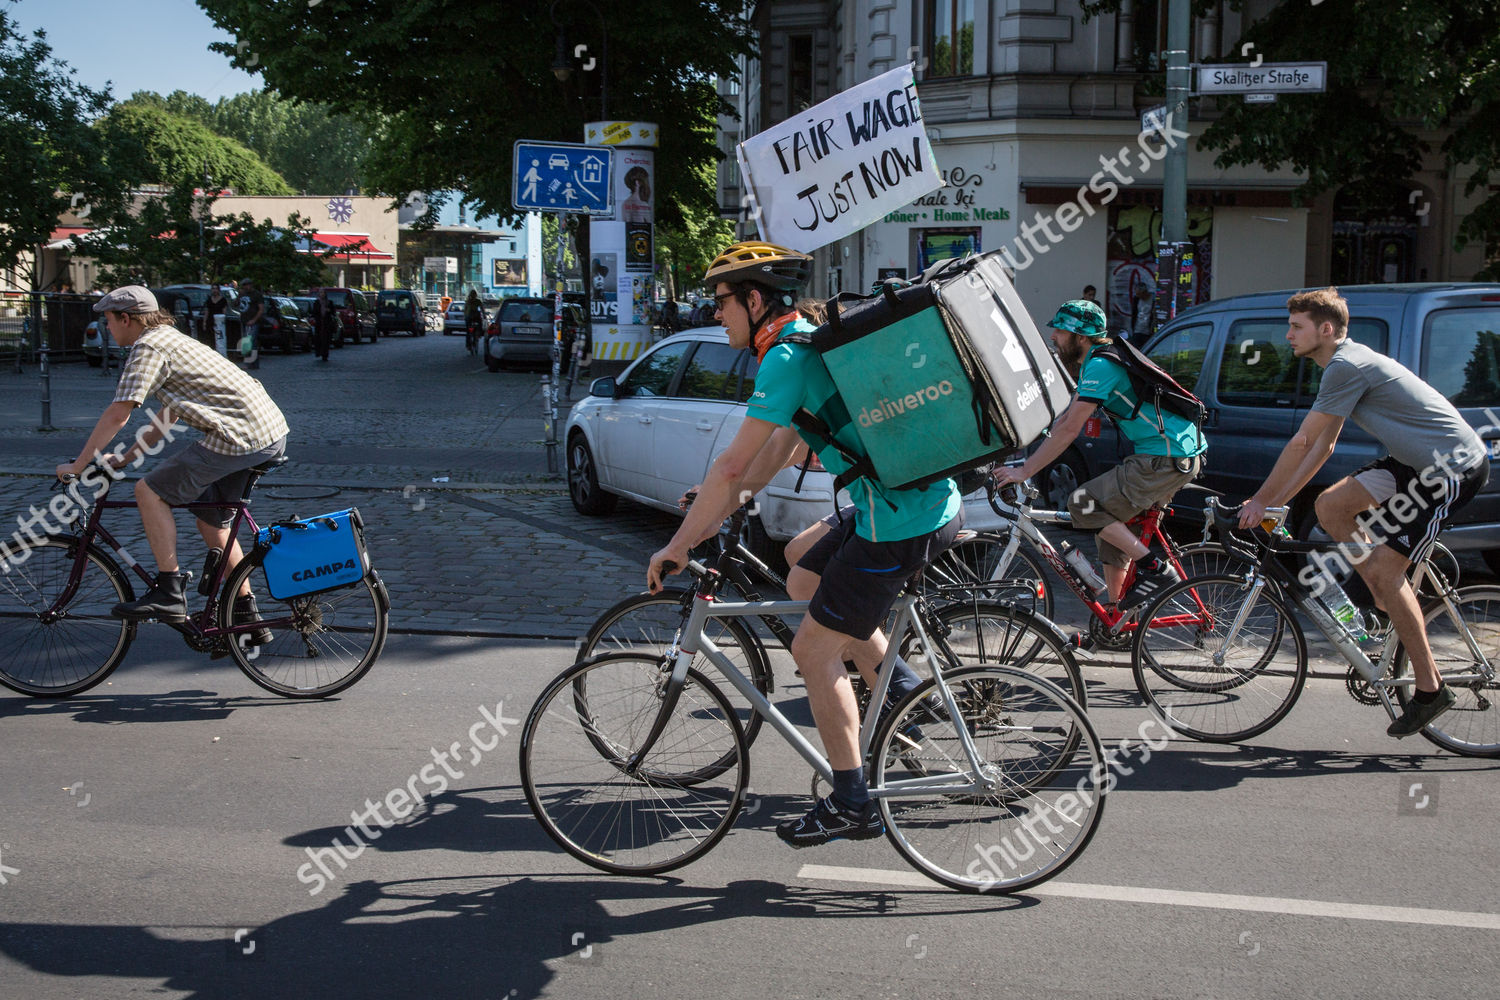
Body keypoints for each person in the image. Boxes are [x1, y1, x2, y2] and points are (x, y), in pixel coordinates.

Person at [647, 242, 962, 848]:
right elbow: (778, 452)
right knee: (802, 576)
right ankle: (899, 690)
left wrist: (679, 545)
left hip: (899, 518)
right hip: (909, 503)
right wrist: (717, 509)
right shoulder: (802, 342)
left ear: (754, 298)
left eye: (722, 302)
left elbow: (735, 465)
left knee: (812, 652)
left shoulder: (786, 357)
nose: (716, 314)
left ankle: (852, 802)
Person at [1237, 287, 1488, 737]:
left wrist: (1262, 501)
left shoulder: (1345, 365)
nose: (1288, 334)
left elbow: (1304, 443)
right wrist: (1277, 500)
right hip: (1413, 464)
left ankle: (1431, 690)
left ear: (1326, 329)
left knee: (1387, 576)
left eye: (1297, 326)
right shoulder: (1342, 365)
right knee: (1331, 507)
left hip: (1449, 469)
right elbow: (1322, 445)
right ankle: (1381, 592)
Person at [55, 285, 289, 638]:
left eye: (108, 320)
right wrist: (128, 456)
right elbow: (170, 414)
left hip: (241, 436)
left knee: (149, 492)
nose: (107, 328)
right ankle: (247, 615)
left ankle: (169, 591)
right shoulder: (169, 339)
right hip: (265, 431)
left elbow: (120, 412)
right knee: (212, 521)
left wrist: (79, 464)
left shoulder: (148, 347)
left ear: (126, 318)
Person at [993, 299, 1206, 611]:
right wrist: (1021, 439)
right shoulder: (1099, 359)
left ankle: (1156, 570)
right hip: (1166, 455)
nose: (1053, 336)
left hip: (1165, 458)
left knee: (1082, 503)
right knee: (1112, 536)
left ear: (1081, 337)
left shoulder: (1102, 366)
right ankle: (1118, 617)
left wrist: (1025, 470)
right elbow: (1064, 420)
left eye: (1060, 331)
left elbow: (1070, 431)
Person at [238, 279, 264, 370]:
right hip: (244, 321)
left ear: (251, 285)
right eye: (244, 285)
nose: (245, 287)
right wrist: (239, 295)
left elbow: (261, 309)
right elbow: (235, 304)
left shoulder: (256, 295)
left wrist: (254, 320)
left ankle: (250, 363)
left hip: (253, 322)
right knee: (246, 343)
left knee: (251, 343)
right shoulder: (242, 294)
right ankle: (252, 364)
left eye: (247, 285)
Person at [310, 287, 337, 361]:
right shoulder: (316, 302)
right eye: (320, 292)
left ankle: (325, 354)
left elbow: (333, 312)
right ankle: (319, 352)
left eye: (323, 292)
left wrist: (329, 310)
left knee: (326, 340)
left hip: (327, 324)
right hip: (319, 324)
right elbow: (314, 312)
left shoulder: (329, 302)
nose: (322, 294)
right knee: (318, 339)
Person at [200, 283, 228, 350]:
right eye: (213, 288)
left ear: (218, 290)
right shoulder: (209, 300)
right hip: (210, 322)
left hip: (219, 323)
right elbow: (206, 312)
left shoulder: (223, 300)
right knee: (210, 340)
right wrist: (204, 322)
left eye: (216, 288)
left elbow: (224, 312)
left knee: (219, 340)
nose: (215, 290)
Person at [463, 290, 484, 357]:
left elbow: (465, 310)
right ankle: (479, 333)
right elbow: (482, 309)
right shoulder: (478, 301)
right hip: (475, 317)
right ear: (476, 295)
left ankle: (468, 345)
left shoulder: (468, 301)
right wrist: (484, 315)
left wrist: (465, 316)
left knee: (468, 332)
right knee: (479, 324)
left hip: (469, 317)